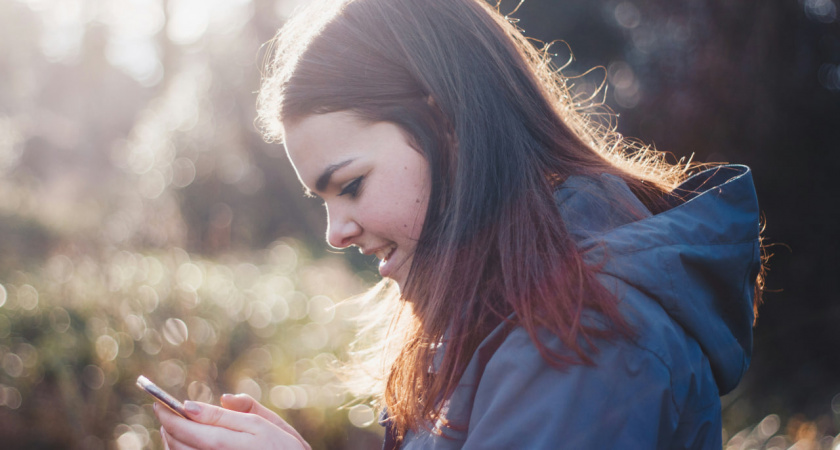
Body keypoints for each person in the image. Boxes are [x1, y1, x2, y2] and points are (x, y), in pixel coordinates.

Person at [155, 0, 765, 448]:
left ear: (447, 125)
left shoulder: (585, 335)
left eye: (350, 186)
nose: (335, 231)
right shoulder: (509, 309)